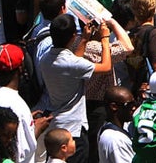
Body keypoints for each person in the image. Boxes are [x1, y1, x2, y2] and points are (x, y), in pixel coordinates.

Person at [41, 14, 113, 163]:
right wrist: (105, 39)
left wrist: (85, 39)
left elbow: (75, 62)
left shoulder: (46, 59)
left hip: (56, 125)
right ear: (73, 36)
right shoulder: (71, 63)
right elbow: (106, 67)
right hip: (73, 130)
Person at [0, 44, 51, 163]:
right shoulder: (13, 104)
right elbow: (18, 153)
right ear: (21, 68)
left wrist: (28, 121)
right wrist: (37, 130)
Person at [97, 87, 136, 163]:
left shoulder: (109, 128)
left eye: (134, 103)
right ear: (114, 106)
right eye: (129, 105)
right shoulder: (116, 140)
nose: (134, 108)